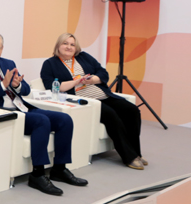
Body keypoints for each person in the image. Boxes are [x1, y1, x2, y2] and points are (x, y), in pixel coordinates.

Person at [0, 31, 88, 196]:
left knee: (64, 119)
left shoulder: (8, 63)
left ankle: (59, 169)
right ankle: (37, 175)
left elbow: (27, 90)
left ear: (2, 48)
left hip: (23, 107)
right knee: (41, 121)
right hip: (3, 113)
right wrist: (3, 85)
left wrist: (17, 85)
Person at [40, 33, 145, 169]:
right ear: (58, 46)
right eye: (65, 43)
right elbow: (51, 86)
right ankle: (129, 157)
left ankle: (136, 153)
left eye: (72, 45)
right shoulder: (49, 64)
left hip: (104, 96)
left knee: (133, 110)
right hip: (86, 101)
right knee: (112, 116)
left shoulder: (84, 57)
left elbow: (103, 73)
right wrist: (76, 82)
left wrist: (93, 79)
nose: (69, 47)